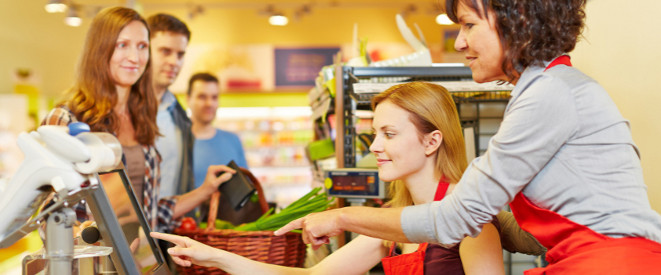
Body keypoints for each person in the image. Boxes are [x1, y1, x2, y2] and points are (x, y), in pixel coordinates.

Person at [275, 0, 661, 274]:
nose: (459, 42)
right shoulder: (543, 90)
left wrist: (342, 216)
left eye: (469, 25)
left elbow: (454, 220)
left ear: (518, 19)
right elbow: (539, 221)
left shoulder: (550, 93)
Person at [153, 82, 505, 274]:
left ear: (432, 141)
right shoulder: (392, 224)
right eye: (374, 133)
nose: (376, 146)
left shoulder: (471, 222)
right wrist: (215, 257)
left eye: (389, 134)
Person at [41, 6, 234, 233]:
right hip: (91, 266)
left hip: (140, 265)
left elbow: (148, 214)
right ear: (100, 49)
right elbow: (49, 218)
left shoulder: (144, 122)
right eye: (122, 45)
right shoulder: (66, 120)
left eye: (142, 46)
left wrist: (204, 190)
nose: (135, 58)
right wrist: (99, 244)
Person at [146, 13, 195, 199]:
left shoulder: (180, 116)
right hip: (123, 226)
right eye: (165, 51)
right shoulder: (122, 109)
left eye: (180, 54)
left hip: (168, 225)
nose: (174, 62)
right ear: (145, 49)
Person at [188, 72, 248, 189]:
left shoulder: (233, 140)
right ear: (188, 99)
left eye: (214, 97)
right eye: (202, 97)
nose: (209, 103)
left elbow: (246, 185)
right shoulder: (177, 143)